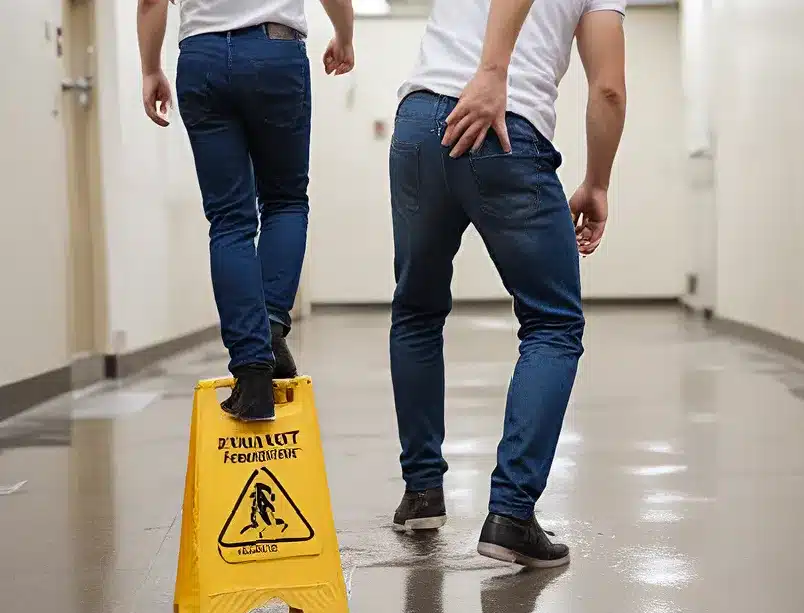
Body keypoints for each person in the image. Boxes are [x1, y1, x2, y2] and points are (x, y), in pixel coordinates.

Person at [388, 0, 627, 568]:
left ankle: (422, 493)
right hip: (505, 130)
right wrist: (597, 181)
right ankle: (511, 515)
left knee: (416, 311)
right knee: (553, 323)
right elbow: (609, 90)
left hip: (420, 123)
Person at [137, 0, 355, 422]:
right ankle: (271, 327)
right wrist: (344, 35)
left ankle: (252, 375)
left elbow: (150, 3)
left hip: (201, 58)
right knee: (285, 202)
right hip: (275, 53)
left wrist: (150, 68)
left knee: (229, 221)